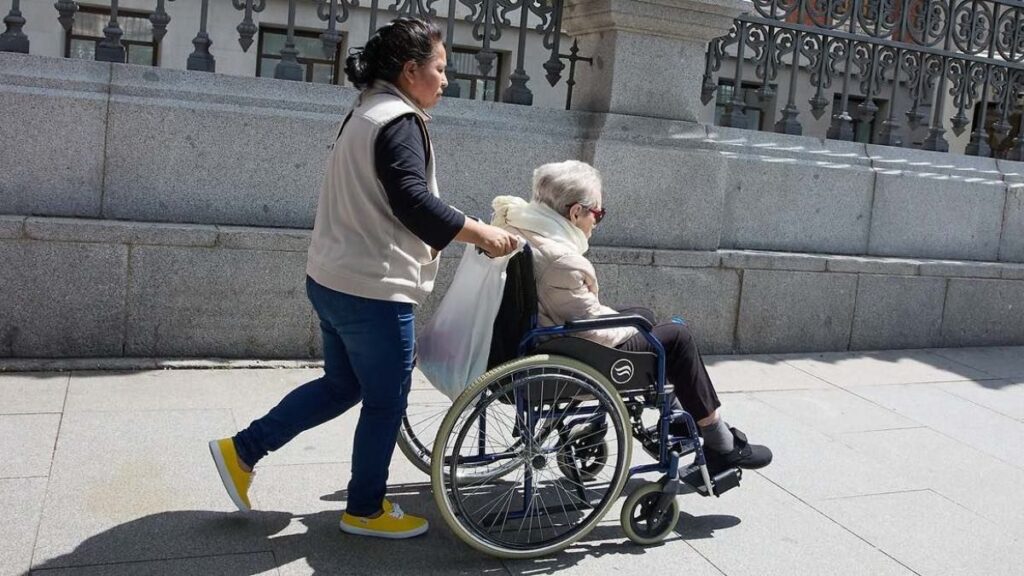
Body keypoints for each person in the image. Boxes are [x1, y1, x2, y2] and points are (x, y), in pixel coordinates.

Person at [208, 17, 518, 539]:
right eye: (440, 69)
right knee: (385, 401)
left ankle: (242, 450)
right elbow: (413, 204)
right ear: (410, 69)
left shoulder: (366, 111)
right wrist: (481, 233)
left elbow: (395, 198)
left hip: (333, 278)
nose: (446, 81)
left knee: (342, 384)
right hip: (373, 290)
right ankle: (366, 510)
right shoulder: (399, 120)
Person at [491, 160, 772, 473]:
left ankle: (681, 416)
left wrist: (634, 322)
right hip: (559, 351)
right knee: (677, 338)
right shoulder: (562, 260)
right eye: (597, 214)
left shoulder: (519, 227)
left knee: (645, 315)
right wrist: (632, 327)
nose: (596, 222)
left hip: (532, 337)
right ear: (575, 213)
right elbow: (593, 331)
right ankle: (721, 441)